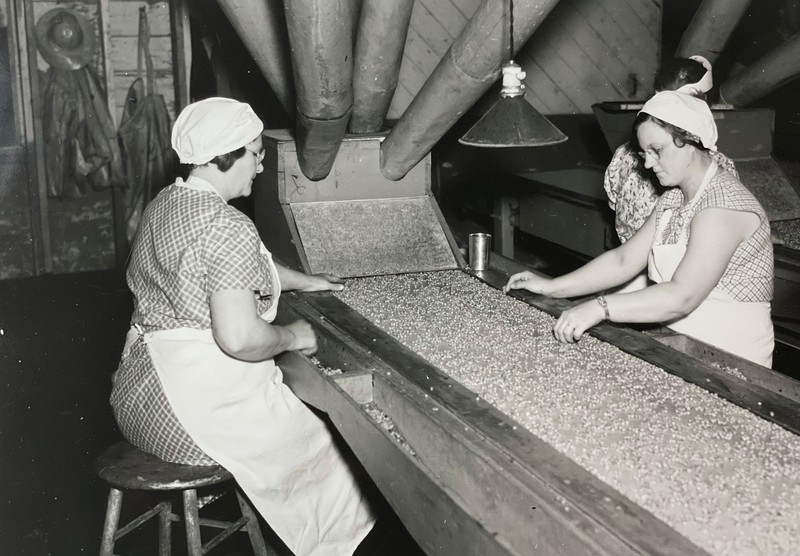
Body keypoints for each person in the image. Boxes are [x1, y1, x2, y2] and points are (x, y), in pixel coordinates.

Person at [110, 97, 375, 555]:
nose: (260, 165)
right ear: (225, 155)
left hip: (136, 399)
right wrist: (296, 337)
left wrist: (306, 281)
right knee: (339, 444)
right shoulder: (226, 223)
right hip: (188, 418)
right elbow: (240, 338)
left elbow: (231, 267)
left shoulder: (168, 203)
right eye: (255, 153)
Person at [505, 91, 774, 368]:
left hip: (733, 360)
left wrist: (601, 308)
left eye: (656, 150)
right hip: (685, 345)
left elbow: (683, 296)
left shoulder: (723, 207)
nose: (646, 163)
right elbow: (623, 260)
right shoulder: (674, 198)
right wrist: (552, 287)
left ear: (691, 141)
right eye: (644, 153)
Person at [604, 56, 739, 246]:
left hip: (631, 250)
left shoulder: (623, 153)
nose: (649, 162)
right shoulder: (719, 165)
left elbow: (614, 203)